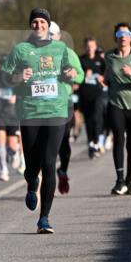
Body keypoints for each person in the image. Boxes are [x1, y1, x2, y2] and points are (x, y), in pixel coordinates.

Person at [2, 8, 83, 233]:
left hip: (56, 111)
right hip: (29, 113)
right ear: (31, 25)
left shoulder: (60, 48)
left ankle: (44, 218)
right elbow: (3, 76)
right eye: (35, 22)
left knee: (49, 164)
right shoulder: (20, 50)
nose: (38, 25)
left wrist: (71, 75)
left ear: (48, 25)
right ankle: (31, 182)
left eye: (42, 22)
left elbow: (77, 73)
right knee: (32, 165)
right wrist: (18, 77)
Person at [102, 23, 131, 195]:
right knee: (118, 140)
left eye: (126, 33)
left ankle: (130, 180)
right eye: (119, 33)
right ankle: (119, 181)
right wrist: (103, 81)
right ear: (115, 37)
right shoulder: (109, 56)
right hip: (116, 104)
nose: (122, 36)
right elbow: (107, 76)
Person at [48, 21, 76, 195]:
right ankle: (44, 183)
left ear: (59, 36)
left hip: (64, 105)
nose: (50, 37)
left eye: (53, 34)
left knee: (63, 144)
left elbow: (79, 74)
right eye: (47, 34)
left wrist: (72, 74)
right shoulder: (32, 52)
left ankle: (63, 170)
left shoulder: (67, 53)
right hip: (43, 107)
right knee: (46, 146)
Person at [0, 56, 20, 182]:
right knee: (0, 138)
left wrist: (16, 97)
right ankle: (4, 170)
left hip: (12, 115)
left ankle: (16, 153)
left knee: (12, 146)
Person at [77, 37, 106, 158]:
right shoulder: (80, 59)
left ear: (95, 46)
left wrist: (102, 78)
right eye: (88, 46)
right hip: (84, 95)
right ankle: (91, 144)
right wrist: (84, 76)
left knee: (96, 116)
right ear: (85, 47)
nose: (90, 48)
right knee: (88, 120)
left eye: (92, 46)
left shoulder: (101, 60)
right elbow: (76, 77)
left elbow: (107, 75)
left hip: (98, 94)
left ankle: (96, 140)